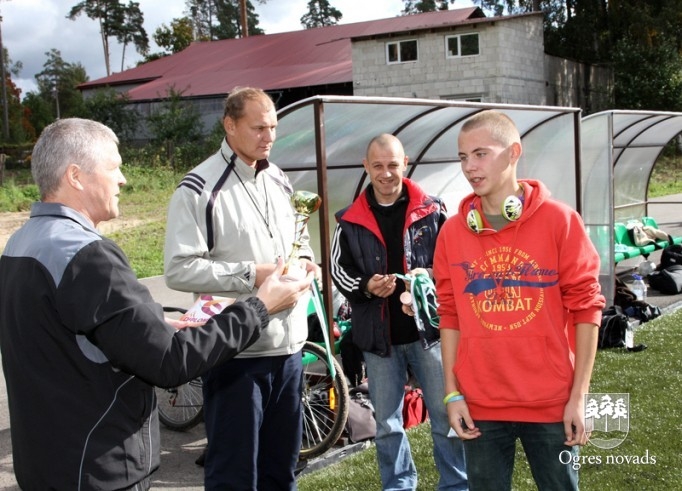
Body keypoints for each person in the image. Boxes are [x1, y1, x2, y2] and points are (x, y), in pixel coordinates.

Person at [0, 118, 313, 491]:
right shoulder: (88, 256)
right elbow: (169, 363)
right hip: (99, 467)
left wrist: (154, 325)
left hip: (48, 461)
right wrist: (261, 306)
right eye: (114, 168)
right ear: (76, 176)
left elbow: (69, 338)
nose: (123, 180)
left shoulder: (20, 244)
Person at [433, 110, 606, 490]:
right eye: (463, 157)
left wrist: (580, 397)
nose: (469, 167)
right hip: (480, 405)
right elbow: (450, 315)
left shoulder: (560, 221)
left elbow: (587, 309)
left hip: (551, 403)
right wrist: (451, 393)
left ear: (513, 153)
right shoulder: (451, 233)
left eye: (480, 154)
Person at [164, 86, 320, 490]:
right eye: (259, 128)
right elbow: (179, 269)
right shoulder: (198, 189)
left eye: (273, 127)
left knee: (280, 470)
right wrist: (253, 274)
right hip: (236, 354)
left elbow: (298, 240)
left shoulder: (280, 179)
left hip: (289, 350)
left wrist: (305, 263)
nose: (269, 137)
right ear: (229, 125)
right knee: (234, 475)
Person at [330, 133, 468, 490]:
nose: (386, 173)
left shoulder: (433, 209)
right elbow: (337, 270)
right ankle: (399, 485)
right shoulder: (349, 219)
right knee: (388, 424)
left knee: (445, 415)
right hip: (380, 341)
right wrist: (366, 286)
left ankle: (455, 484)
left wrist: (429, 278)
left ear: (404, 164)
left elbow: (455, 262)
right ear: (366, 167)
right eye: (378, 166)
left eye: (393, 165)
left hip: (431, 336)